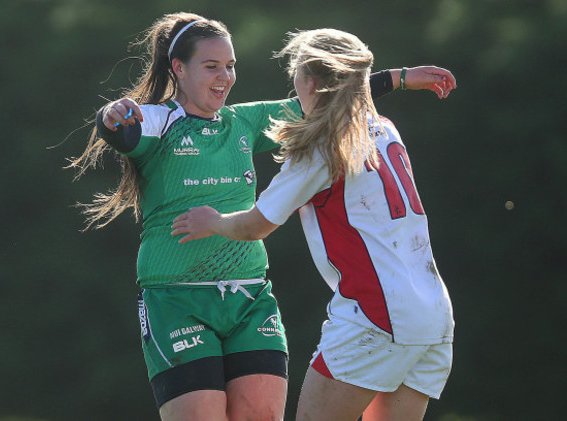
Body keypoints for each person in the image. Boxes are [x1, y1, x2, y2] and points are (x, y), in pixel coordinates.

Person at [68, 11, 456, 421]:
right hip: (176, 297)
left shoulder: (243, 122)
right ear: (178, 69)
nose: (225, 76)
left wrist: (398, 77)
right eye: (212, 66)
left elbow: (329, 95)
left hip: (249, 296)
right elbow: (123, 128)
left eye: (231, 66)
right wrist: (111, 115)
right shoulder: (160, 121)